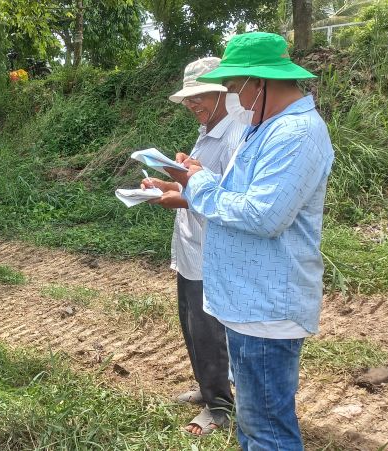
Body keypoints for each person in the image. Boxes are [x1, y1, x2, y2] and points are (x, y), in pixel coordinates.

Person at [165, 32, 334, 450]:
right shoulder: (267, 129)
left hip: (266, 307)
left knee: (266, 429)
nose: (233, 96)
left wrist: (199, 181)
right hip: (247, 302)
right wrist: (201, 179)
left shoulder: (295, 134)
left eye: (236, 85)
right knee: (256, 424)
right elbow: (243, 195)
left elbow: (263, 214)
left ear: (259, 83)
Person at [141, 57, 242, 436]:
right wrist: (170, 185)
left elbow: (227, 199)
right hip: (190, 250)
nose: (192, 105)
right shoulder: (208, 129)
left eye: (199, 96)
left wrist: (178, 197)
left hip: (212, 250)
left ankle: (219, 407)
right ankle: (207, 388)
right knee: (191, 325)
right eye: (188, 98)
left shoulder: (235, 135)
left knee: (209, 332)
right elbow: (197, 184)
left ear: (222, 91)